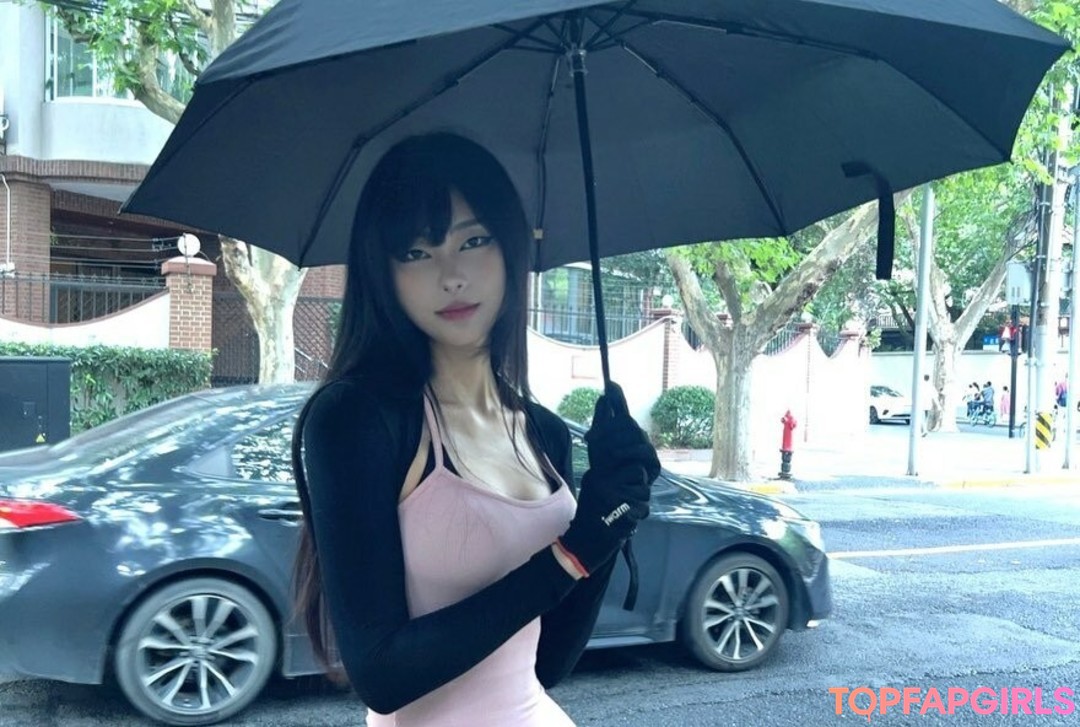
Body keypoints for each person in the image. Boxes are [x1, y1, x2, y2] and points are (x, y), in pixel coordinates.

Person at [289, 133, 659, 726]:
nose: (452, 275)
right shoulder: (359, 421)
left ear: (511, 248)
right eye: (417, 252)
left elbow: (546, 662)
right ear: (382, 272)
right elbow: (380, 674)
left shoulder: (544, 433)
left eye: (474, 240)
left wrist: (608, 522)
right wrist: (570, 555)